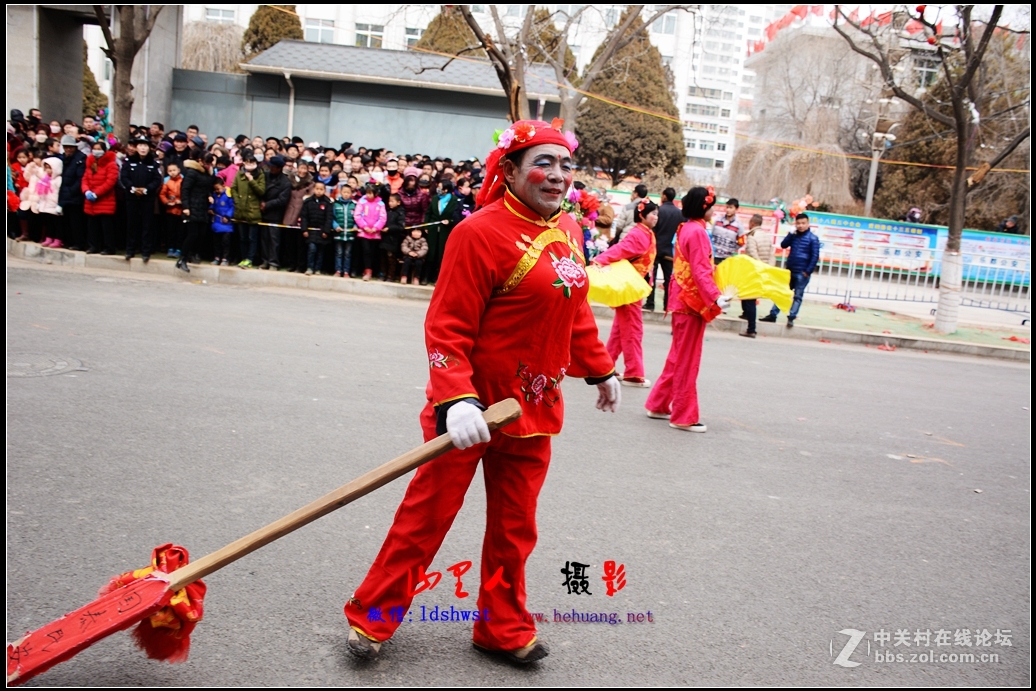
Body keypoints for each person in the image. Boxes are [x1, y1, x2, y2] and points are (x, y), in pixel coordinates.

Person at [343, 119, 619, 664]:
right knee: (426, 519)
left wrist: (600, 368)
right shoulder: (478, 233)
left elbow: (574, 306)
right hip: (470, 409)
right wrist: (455, 399)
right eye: (544, 163)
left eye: (565, 165)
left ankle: (501, 627)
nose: (558, 175)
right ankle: (372, 617)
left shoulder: (569, 231)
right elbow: (447, 326)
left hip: (534, 408)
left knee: (516, 529)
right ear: (510, 170)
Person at [644, 186, 731, 433]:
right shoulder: (698, 233)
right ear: (704, 207)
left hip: (683, 300)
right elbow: (701, 270)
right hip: (692, 303)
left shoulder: (687, 228)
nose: (715, 210)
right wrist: (715, 298)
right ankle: (683, 415)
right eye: (712, 205)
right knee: (687, 360)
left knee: (677, 357)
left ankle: (659, 404)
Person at [592, 200, 658, 387]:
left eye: (656, 214)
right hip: (629, 286)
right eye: (653, 214)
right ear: (642, 215)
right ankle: (633, 373)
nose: (656, 217)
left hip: (633, 285)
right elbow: (620, 250)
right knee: (632, 330)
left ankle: (605, 366)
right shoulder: (639, 233)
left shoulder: (645, 232)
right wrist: (600, 260)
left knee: (620, 330)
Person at [759, 213, 819, 328]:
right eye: (798, 223)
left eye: (803, 223)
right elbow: (783, 245)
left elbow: (814, 256)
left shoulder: (813, 238)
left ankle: (791, 317)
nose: (801, 226)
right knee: (782, 293)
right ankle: (773, 315)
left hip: (803, 273)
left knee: (797, 296)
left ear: (808, 224)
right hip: (790, 270)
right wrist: (790, 234)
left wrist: (807, 271)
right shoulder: (794, 236)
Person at [119, 137, 162, 262]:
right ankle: (130, 250)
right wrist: (132, 188)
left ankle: (146, 251)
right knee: (132, 224)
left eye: (145, 146)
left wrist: (146, 189)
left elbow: (156, 180)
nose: (143, 148)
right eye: (140, 145)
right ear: (136, 147)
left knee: (147, 225)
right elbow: (124, 177)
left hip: (147, 198)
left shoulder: (153, 163)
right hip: (131, 197)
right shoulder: (129, 161)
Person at [178, 151, 216, 272]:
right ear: (200, 161)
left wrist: (209, 195)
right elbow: (185, 190)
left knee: (201, 234)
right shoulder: (191, 172)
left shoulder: (207, 173)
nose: (209, 166)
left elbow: (206, 188)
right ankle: (182, 259)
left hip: (202, 206)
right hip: (192, 206)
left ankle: (193, 254)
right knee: (192, 234)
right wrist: (186, 207)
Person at [644, 187, 680, 312]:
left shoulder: (659, 211)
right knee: (668, 279)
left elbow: (653, 229)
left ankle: (650, 302)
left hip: (656, 249)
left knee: (651, 276)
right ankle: (667, 305)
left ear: (664, 196)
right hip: (670, 251)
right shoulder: (679, 213)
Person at [82, 140, 118, 255]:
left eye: (99, 149)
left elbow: (110, 181)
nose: (96, 151)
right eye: (95, 149)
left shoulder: (111, 164)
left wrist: (97, 193)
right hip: (91, 201)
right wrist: (86, 190)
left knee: (106, 227)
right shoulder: (90, 163)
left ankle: (109, 247)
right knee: (92, 226)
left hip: (105, 200)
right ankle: (93, 246)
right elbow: (85, 179)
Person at [738, 213, 771, 339]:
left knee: (750, 298)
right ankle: (746, 314)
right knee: (748, 296)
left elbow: (752, 254)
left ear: (752, 223)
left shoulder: (752, 237)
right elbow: (771, 254)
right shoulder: (766, 236)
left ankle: (751, 329)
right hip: (762, 270)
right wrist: (767, 267)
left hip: (753, 270)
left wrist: (759, 266)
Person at [232, 155, 266, 268]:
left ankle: (250, 259)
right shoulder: (239, 173)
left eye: (252, 163)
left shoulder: (260, 175)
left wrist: (251, 180)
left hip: (253, 211)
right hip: (241, 210)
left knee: (252, 238)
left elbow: (261, 191)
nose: (249, 165)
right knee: (242, 238)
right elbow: (234, 188)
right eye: (247, 163)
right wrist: (237, 202)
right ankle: (243, 258)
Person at [423, 178, 458, 283]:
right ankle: (426, 277)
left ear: (446, 189)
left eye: (440, 187)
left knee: (441, 254)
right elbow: (428, 213)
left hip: (445, 231)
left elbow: (456, 216)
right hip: (433, 230)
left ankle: (437, 278)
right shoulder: (435, 198)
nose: (438, 189)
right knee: (430, 253)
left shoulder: (454, 200)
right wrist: (426, 226)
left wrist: (450, 221)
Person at [260, 155, 291, 270]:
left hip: (275, 214)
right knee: (264, 239)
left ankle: (274, 262)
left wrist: (267, 205)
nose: (270, 168)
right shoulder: (265, 176)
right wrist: (261, 202)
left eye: (273, 167)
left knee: (274, 240)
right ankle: (265, 260)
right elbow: (260, 189)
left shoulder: (285, 182)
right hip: (263, 213)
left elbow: (282, 200)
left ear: (278, 168)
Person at [57, 134, 87, 250]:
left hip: (75, 196)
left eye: (71, 147)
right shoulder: (63, 158)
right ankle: (68, 241)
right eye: (66, 147)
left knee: (76, 222)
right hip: (64, 194)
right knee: (67, 221)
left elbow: (80, 179)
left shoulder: (80, 159)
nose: (68, 149)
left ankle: (79, 243)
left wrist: (71, 191)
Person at [353, 183, 386, 281]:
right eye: (367, 193)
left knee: (373, 252)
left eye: (371, 193)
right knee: (366, 251)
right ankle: (367, 271)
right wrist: (364, 226)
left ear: (375, 194)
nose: (368, 195)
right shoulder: (362, 202)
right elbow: (357, 215)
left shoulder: (381, 204)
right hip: (364, 232)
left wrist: (376, 228)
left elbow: (383, 218)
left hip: (375, 233)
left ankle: (373, 270)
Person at [300, 180, 333, 276]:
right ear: (314, 189)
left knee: (320, 251)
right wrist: (304, 229)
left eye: (321, 189)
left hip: (322, 232)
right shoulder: (308, 202)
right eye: (317, 189)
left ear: (324, 190)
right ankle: (310, 267)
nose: (319, 191)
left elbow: (329, 218)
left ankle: (318, 268)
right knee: (312, 249)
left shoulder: (327, 202)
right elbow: (304, 217)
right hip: (311, 231)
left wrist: (326, 231)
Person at [332, 183, 357, 277]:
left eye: (348, 192)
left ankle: (346, 271)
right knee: (338, 253)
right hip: (339, 233)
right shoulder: (336, 204)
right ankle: (338, 270)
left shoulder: (354, 205)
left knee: (348, 253)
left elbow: (357, 218)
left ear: (351, 193)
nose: (346, 194)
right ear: (340, 192)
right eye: (344, 192)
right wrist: (335, 226)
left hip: (350, 234)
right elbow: (333, 218)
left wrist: (355, 226)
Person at [159, 162, 184, 257]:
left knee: (180, 231)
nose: (172, 172)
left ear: (178, 170)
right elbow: (162, 194)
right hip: (170, 210)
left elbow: (186, 193)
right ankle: (170, 248)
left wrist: (181, 201)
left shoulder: (183, 181)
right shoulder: (167, 182)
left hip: (181, 210)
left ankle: (178, 248)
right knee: (170, 231)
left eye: (174, 170)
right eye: (170, 171)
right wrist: (166, 202)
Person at [380, 192, 406, 282]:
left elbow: (401, 226)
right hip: (384, 238)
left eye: (392, 201)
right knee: (383, 257)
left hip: (393, 239)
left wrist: (389, 229)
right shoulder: (386, 210)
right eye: (389, 201)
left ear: (398, 202)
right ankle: (383, 274)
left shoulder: (400, 212)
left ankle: (391, 276)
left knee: (391, 258)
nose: (390, 203)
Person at [209, 178, 234, 266]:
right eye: (215, 189)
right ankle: (217, 257)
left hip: (226, 224)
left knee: (225, 242)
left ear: (223, 186)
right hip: (216, 223)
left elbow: (232, 207)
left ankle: (225, 258)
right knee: (216, 242)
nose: (217, 191)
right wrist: (211, 209)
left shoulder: (228, 195)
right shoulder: (215, 195)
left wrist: (228, 216)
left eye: (218, 189)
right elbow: (212, 204)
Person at [710, 198, 741, 265]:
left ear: (736, 209)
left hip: (727, 258)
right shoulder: (717, 220)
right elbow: (711, 235)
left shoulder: (739, 225)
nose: (728, 210)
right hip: (714, 255)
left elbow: (741, 242)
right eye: (727, 207)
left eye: (731, 208)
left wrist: (731, 249)